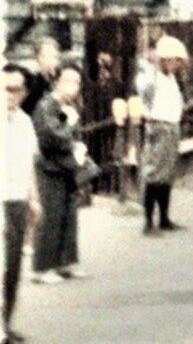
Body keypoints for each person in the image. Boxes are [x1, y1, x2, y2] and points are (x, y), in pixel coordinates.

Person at [31, 65, 87, 284]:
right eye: (68, 81)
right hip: (50, 167)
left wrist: (79, 146)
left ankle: (64, 263)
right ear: (57, 82)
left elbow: (74, 135)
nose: (73, 87)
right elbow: (49, 135)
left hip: (66, 167)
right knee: (51, 217)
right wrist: (69, 124)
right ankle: (43, 268)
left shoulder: (67, 105)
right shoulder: (46, 105)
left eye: (76, 82)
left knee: (68, 216)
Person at [1, 65, 39, 342]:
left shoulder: (25, 122)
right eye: (4, 87)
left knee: (13, 268)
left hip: (17, 201)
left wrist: (34, 199)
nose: (9, 94)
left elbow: (30, 163)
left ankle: (5, 323)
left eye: (15, 89)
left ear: (24, 92)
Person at [140, 35, 188, 236]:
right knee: (154, 173)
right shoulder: (153, 78)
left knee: (167, 174)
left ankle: (164, 217)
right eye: (173, 60)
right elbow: (145, 98)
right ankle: (149, 221)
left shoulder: (171, 79)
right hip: (160, 126)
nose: (176, 65)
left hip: (171, 126)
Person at [20, 39, 60, 117]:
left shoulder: (58, 80)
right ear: (37, 58)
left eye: (54, 56)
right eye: (46, 56)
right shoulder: (32, 83)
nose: (50, 60)